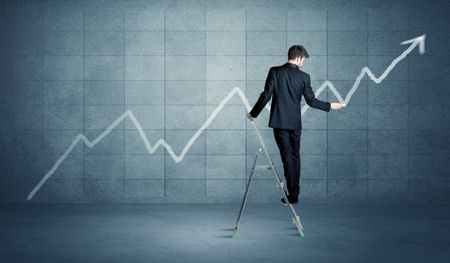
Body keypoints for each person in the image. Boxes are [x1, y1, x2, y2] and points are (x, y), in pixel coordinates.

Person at [246, 45, 344, 204]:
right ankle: (294, 193)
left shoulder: (275, 72)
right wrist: (330, 105)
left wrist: (253, 114)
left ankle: (292, 194)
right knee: (295, 156)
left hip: (279, 123)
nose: (303, 63)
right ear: (298, 58)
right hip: (295, 124)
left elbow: (266, 96)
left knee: (286, 156)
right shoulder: (304, 77)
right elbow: (311, 102)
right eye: (303, 59)